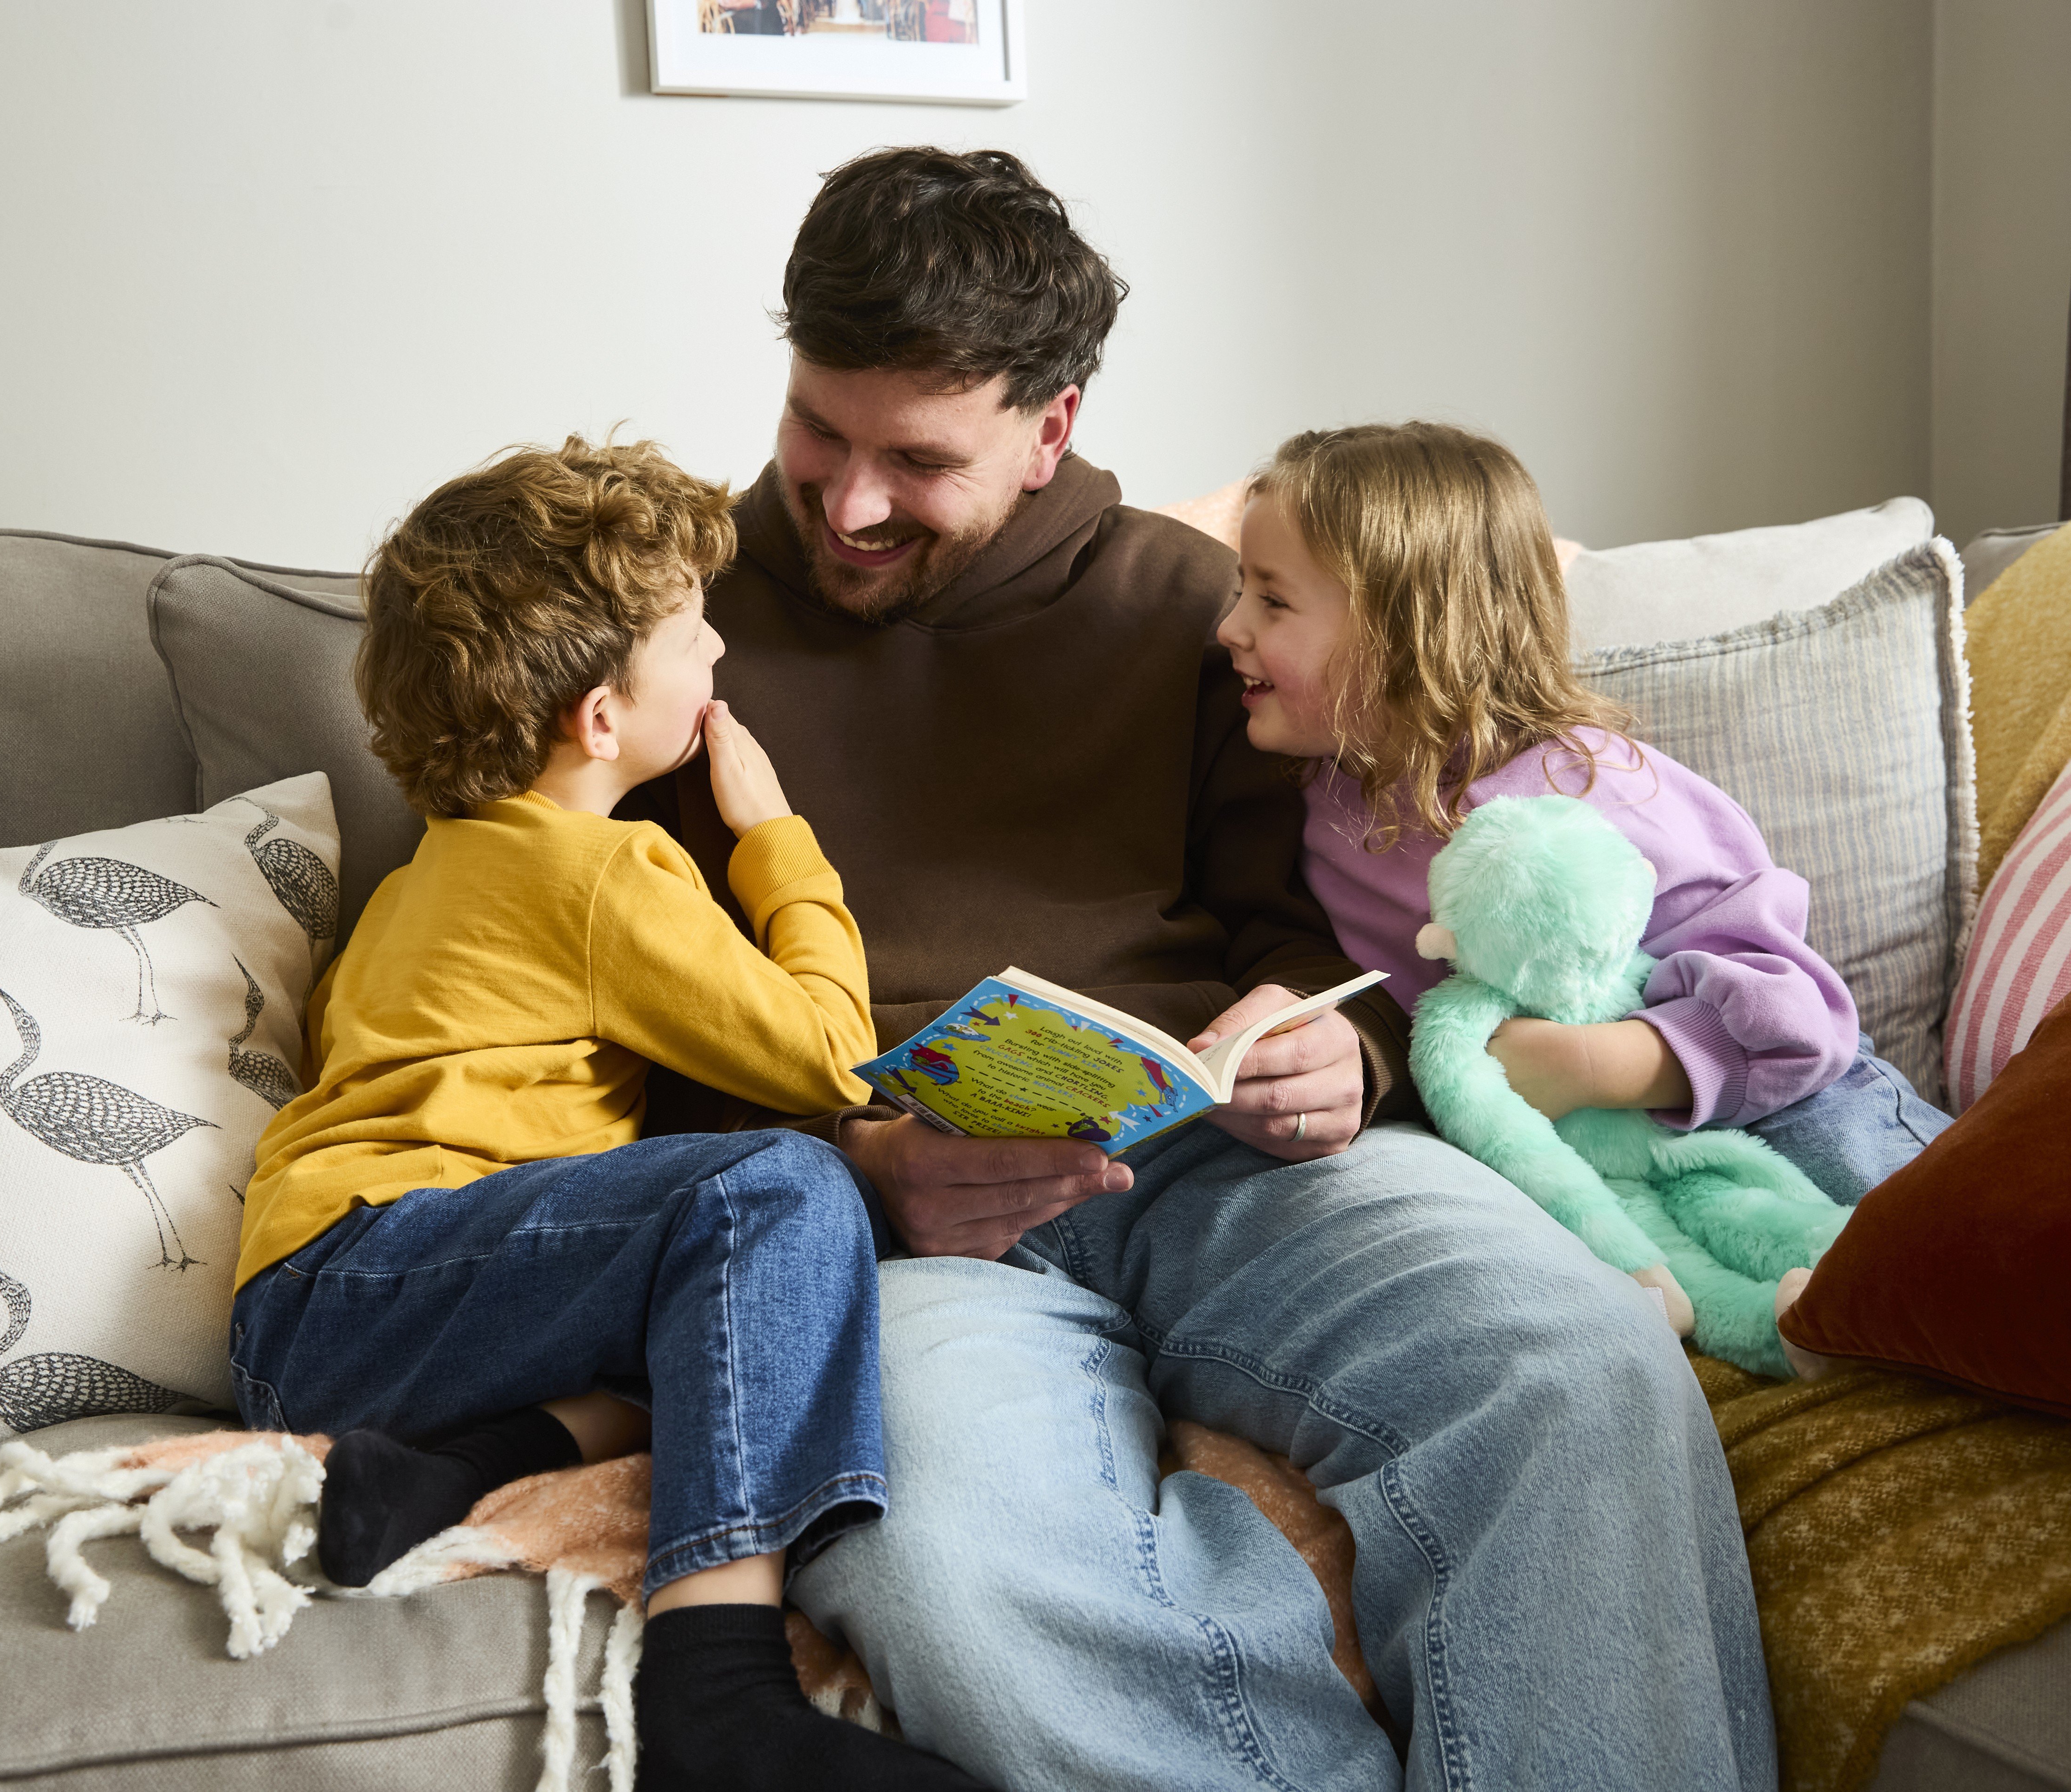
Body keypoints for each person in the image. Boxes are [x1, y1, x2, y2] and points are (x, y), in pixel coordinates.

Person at [624, 146, 1777, 1791]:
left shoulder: (1200, 614)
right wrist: (852, 1169)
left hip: (1233, 1164)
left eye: (917, 459)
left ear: (1053, 428)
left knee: (1578, 1363)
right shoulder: (669, 635)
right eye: (819, 430)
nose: (851, 502)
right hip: (900, 1229)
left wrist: (1346, 1051)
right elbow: (595, 1029)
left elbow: (1340, 928)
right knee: (943, 1569)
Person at [228, 436, 986, 1792]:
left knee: (733, 1339)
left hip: (308, 1321)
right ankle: (717, 1688)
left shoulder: (422, 876)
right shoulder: (603, 871)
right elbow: (827, 1056)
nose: (717, 667)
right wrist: (773, 839)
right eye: (697, 637)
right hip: (376, 1272)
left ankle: (448, 1468)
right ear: (597, 717)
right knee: (786, 1197)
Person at [1221, 420, 1949, 1211]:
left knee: (1960, 1250)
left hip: (1800, 1111)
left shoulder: (1585, 783)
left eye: (1272, 600)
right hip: (1625, 1181)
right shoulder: (1310, 796)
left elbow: (1797, 1013)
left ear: (1406, 634)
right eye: (1239, 591)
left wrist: (1591, 1067)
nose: (1230, 628)